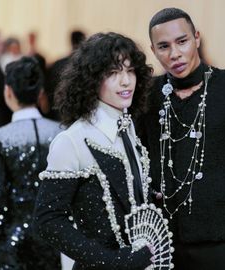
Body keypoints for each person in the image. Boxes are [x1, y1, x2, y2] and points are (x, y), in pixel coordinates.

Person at [141, 8, 225, 269]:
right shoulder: (148, 95)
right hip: (164, 247)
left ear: (197, 38)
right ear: (153, 50)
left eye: (182, 41)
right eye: (163, 46)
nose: (174, 54)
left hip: (224, 244)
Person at [33, 32, 156, 270]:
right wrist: (112, 261)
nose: (126, 81)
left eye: (130, 71)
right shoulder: (72, 140)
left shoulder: (129, 127)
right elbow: (47, 221)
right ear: (91, 80)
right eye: (113, 73)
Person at [0, 57, 62, 269]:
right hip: (53, 237)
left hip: (11, 239)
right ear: (40, 92)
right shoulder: (60, 132)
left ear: (8, 91)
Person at [44, 30, 86, 121]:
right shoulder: (87, 65)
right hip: (81, 112)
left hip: (58, 110)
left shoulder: (58, 63)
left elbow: (49, 88)